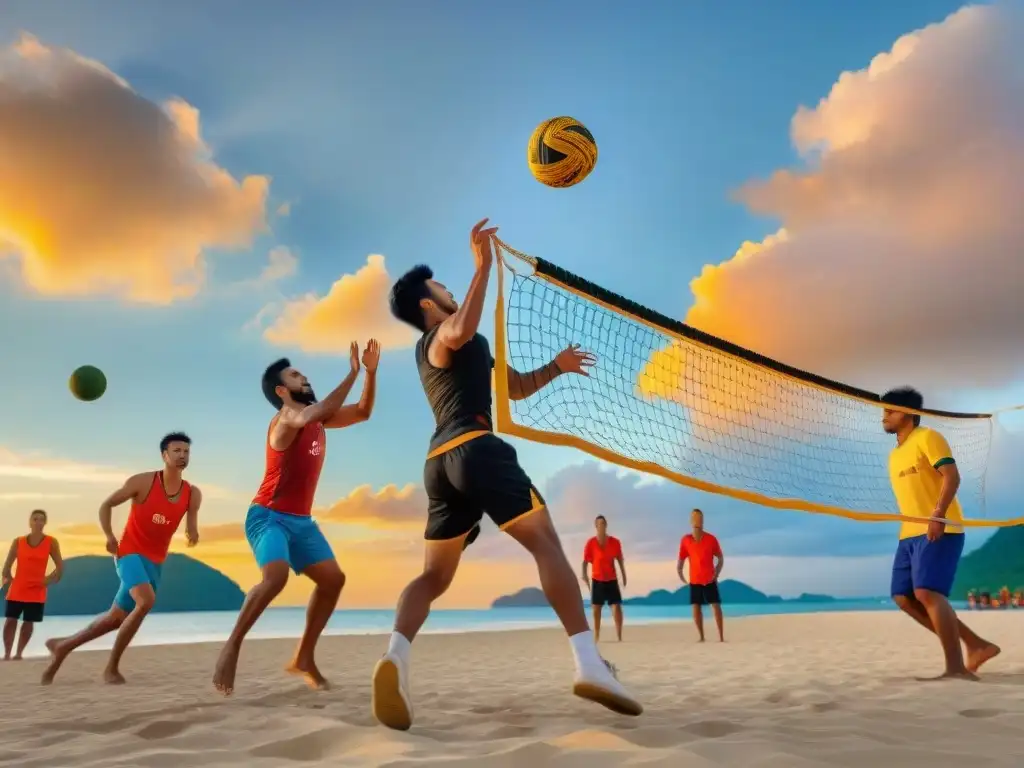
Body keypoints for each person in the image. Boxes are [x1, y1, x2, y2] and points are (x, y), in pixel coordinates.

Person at [373, 218, 642, 731]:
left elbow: (513, 388)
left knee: (434, 576)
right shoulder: (439, 336)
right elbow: (461, 328)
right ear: (427, 304)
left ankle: (395, 658)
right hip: (476, 449)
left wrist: (556, 367)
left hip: (440, 466)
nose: (448, 288)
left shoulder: (464, 346)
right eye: (441, 286)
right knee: (548, 547)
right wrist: (482, 267)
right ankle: (589, 664)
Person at [213, 341, 380, 696]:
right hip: (268, 517)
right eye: (294, 375)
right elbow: (314, 413)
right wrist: (351, 372)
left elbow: (363, 411)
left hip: (301, 522)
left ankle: (304, 657)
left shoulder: (319, 418)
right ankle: (232, 647)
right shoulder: (289, 417)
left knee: (333, 581)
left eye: (302, 373)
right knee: (274, 578)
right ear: (281, 390)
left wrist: (370, 372)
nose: (303, 376)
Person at [41, 433, 201, 684]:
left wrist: (193, 533)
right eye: (177, 451)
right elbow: (106, 505)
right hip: (129, 553)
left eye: (186, 452)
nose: (182, 455)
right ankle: (111, 668)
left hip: (155, 562)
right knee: (146, 601)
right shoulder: (142, 482)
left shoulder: (192, 494)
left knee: (115, 619)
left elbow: (191, 524)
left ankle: (64, 647)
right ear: (164, 455)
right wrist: (109, 536)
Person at [881, 386, 1000, 679]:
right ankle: (976, 645)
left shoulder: (928, 437)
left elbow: (952, 476)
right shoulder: (894, 455)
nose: (883, 416)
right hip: (908, 534)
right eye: (883, 410)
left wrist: (938, 515)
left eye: (890, 410)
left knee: (927, 592)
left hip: (940, 526)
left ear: (908, 413)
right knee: (903, 598)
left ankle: (956, 668)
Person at [3, 510, 63, 660]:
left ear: (45, 523)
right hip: (18, 588)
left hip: (37, 589)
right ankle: (7, 654)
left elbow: (60, 566)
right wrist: (8, 578)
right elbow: (6, 567)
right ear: (30, 522)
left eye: (41, 520)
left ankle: (18, 654)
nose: (38, 522)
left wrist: (48, 580)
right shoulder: (18, 541)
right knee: (10, 620)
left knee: (28, 622)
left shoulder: (51, 542)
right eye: (35, 519)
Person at [677, 509, 724, 642]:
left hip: (709, 579)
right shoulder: (686, 540)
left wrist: (717, 572)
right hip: (695, 580)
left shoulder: (711, 539)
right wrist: (680, 572)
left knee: (716, 606)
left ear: (703, 521)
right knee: (696, 608)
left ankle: (721, 637)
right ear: (691, 521)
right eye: (695, 518)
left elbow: (720, 558)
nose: (697, 520)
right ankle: (701, 637)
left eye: (700, 518)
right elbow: (681, 559)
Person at [581, 515, 626, 642]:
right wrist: (584, 575)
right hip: (597, 579)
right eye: (599, 523)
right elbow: (585, 562)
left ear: (606, 525)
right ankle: (596, 636)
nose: (601, 525)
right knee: (596, 609)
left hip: (611, 579)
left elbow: (620, 560)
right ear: (596, 526)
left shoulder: (615, 542)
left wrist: (624, 575)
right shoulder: (591, 543)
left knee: (616, 607)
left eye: (603, 523)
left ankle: (619, 636)